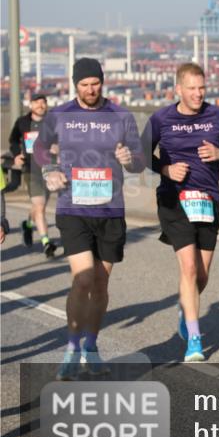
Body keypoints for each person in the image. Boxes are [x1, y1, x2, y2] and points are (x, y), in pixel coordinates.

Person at [32, 58, 146, 379]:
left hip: (110, 210)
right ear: (75, 85)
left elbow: (140, 160)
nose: (90, 89)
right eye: (84, 84)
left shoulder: (121, 116)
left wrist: (130, 159)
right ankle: (71, 347)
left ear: (102, 82)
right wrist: (50, 170)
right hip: (73, 208)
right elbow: (40, 148)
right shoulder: (59, 115)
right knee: (83, 280)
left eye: (95, 83)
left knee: (100, 283)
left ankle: (91, 347)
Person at [142, 63, 219, 362]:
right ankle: (194, 340)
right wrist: (166, 169)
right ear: (178, 89)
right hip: (174, 199)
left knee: (202, 275)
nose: (198, 94)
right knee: (189, 268)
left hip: (208, 200)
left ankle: (186, 306)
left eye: (202, 88)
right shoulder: (161, 118)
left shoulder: (218, 116)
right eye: (192, 88)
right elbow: (141, 153)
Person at [8, 93, 59, 257]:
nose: (40, 106)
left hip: (50, 168)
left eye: (43, 103)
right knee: (40, 206)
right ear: (31, 105)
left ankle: (28, 224)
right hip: (31, 169)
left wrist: (57, 147)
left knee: (38, 205)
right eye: (37, 103)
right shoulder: (22, 122)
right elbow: (13, 140)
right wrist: (16, 155)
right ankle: (46, 242)